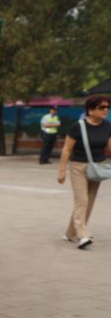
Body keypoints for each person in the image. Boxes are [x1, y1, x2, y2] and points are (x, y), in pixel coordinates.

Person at [57, 94, 111, 249]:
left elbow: (110, 147)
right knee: (82, 200)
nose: (106, 110)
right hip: (78, 167)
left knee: (89, 201)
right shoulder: (78, 127)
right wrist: (62, 171)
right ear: (90, 110)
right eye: (102, 107)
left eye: (108, 107)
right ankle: (83, 235)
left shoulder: (108, 126)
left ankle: (70, 234)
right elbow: (67, 150)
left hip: (98, 168)